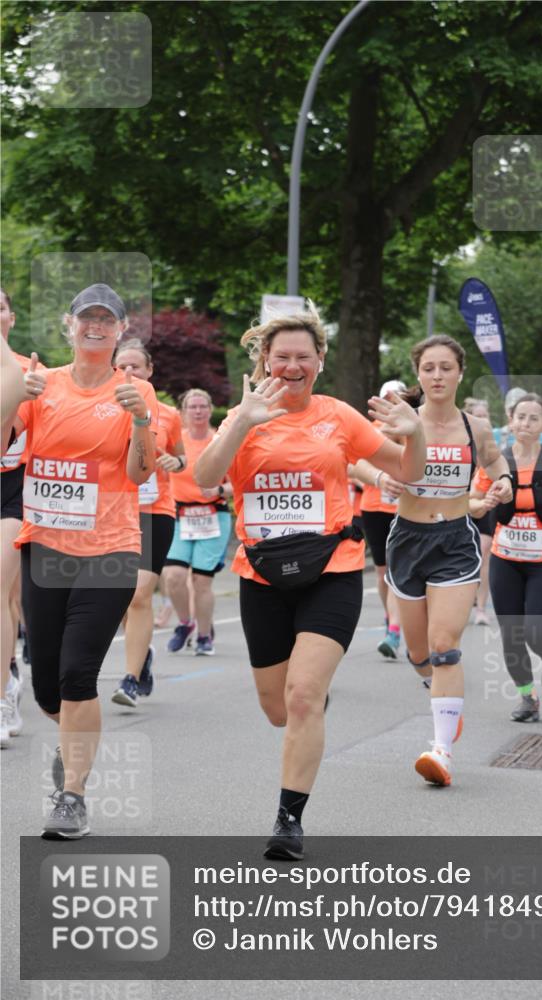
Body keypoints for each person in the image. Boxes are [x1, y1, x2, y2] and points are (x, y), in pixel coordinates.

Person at [195, 305, 425, 860]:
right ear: (265, 360)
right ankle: (310, 709)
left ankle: (288, 821)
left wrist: (415, 434)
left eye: (303, 356)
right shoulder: (244, 415)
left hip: (332, 569)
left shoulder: (337, 416)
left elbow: (408, 471)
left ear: (320, 360)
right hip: (261, 574)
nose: (292, 366)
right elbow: (204, 478)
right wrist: (242, 424)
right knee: (279, 708)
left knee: (302, 696)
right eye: (282, 357)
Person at [8, 283, 157, 838]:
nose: (96, 325)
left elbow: (141, 473)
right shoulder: (41, 383)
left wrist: (141, 421)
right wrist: (13, 397)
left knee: (77, 673)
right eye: (86, 317)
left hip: (109, 550)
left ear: (120, 330)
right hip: (46, 549)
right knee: (49, 689)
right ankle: (75, 743)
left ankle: (72, 795)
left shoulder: (135, 391)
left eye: (107, 319)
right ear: (69, 325)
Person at [382, 335, 512, 788]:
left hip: (455, 539)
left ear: (460, 372)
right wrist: (379, 477)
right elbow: (357, 460)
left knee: (444, 645)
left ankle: (442, 751)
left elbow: (495, 462)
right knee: (419, 654)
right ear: (418, 374)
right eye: (429, 368)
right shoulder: (402, 420)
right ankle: (443, 700)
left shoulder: (475, 427)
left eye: (446, 368)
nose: (437, 376)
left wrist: (504, 482)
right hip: (407, 540)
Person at [471, 394, 542, 722]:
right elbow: (473, 500)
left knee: (535, 630)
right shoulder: (497, 462)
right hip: (506, 559)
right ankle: (528, 698)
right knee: (511, 635)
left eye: (534, 418)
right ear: (511, 420)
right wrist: (485, 502)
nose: (526, 424)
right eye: (520, 417)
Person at [111, 340, 186, 706]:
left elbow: (182, 457)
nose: (128, 373)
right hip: (113, 511)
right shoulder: (101, 408)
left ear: (149, 371)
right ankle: (142, 656)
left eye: (135, 367)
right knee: (121, 597)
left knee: (140, 594)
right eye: (121, 366)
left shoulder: (168, 414)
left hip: (154, 511)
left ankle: (129, 679)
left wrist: (175, 462)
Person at [1, 290, 46, 748]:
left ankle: (0, 697)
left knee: (0, 588)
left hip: (14, 491)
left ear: (11, 318)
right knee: (8, 597)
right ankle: (11, 672)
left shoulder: (32, 371)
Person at [163, 389, 232, 656]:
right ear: (183, 412)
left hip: (213, 515)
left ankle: (204, 637)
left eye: (203, 406)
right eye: (193, 407)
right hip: (180, 515)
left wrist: (219, 490)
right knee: (173, 576)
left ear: (210, 409)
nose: (198, 411)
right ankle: (185, 623)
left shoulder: (220, 441)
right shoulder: (175, 441)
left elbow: (239, 483)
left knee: (202, 581)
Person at [359, 379, 406, 659]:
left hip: (403, 509)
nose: (392, 403)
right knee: (382, 571)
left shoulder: (411, 429)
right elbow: (354, 466)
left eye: (397, 398)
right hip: (374, 508)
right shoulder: (369, 430)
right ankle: (391, 619)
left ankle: (395, 632)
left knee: (397, 571)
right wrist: (376, 478)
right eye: (387, 398)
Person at [464, 397, 494, 626]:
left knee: (484, 551)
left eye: (486, 416)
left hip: (485, 503)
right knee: (465, 556)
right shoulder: (458, 441)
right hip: (459, 505)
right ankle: (463, 600)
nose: (483, 420)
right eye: (478, 416)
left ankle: (481, 608)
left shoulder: (493, 445)